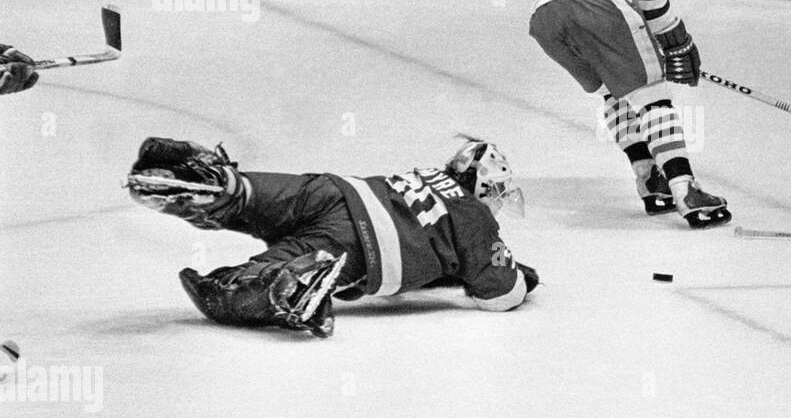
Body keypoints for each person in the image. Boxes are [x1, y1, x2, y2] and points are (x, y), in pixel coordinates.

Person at [126, 137, 537, 339]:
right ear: (483, 185)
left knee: (244, 195)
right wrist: (521, 276)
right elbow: (499, 294)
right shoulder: (473, 214)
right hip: (362, 243)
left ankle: (202, 175)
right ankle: (267, 284)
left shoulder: (427, 176)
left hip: (332, 191)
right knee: (257, 283)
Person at [526, 0, 730, 229]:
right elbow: (653, 0)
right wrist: (680, 42)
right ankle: (686, 190)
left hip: (544, 17)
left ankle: (648, 177)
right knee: (652, 93)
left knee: (612, 92)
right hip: (593, 3)